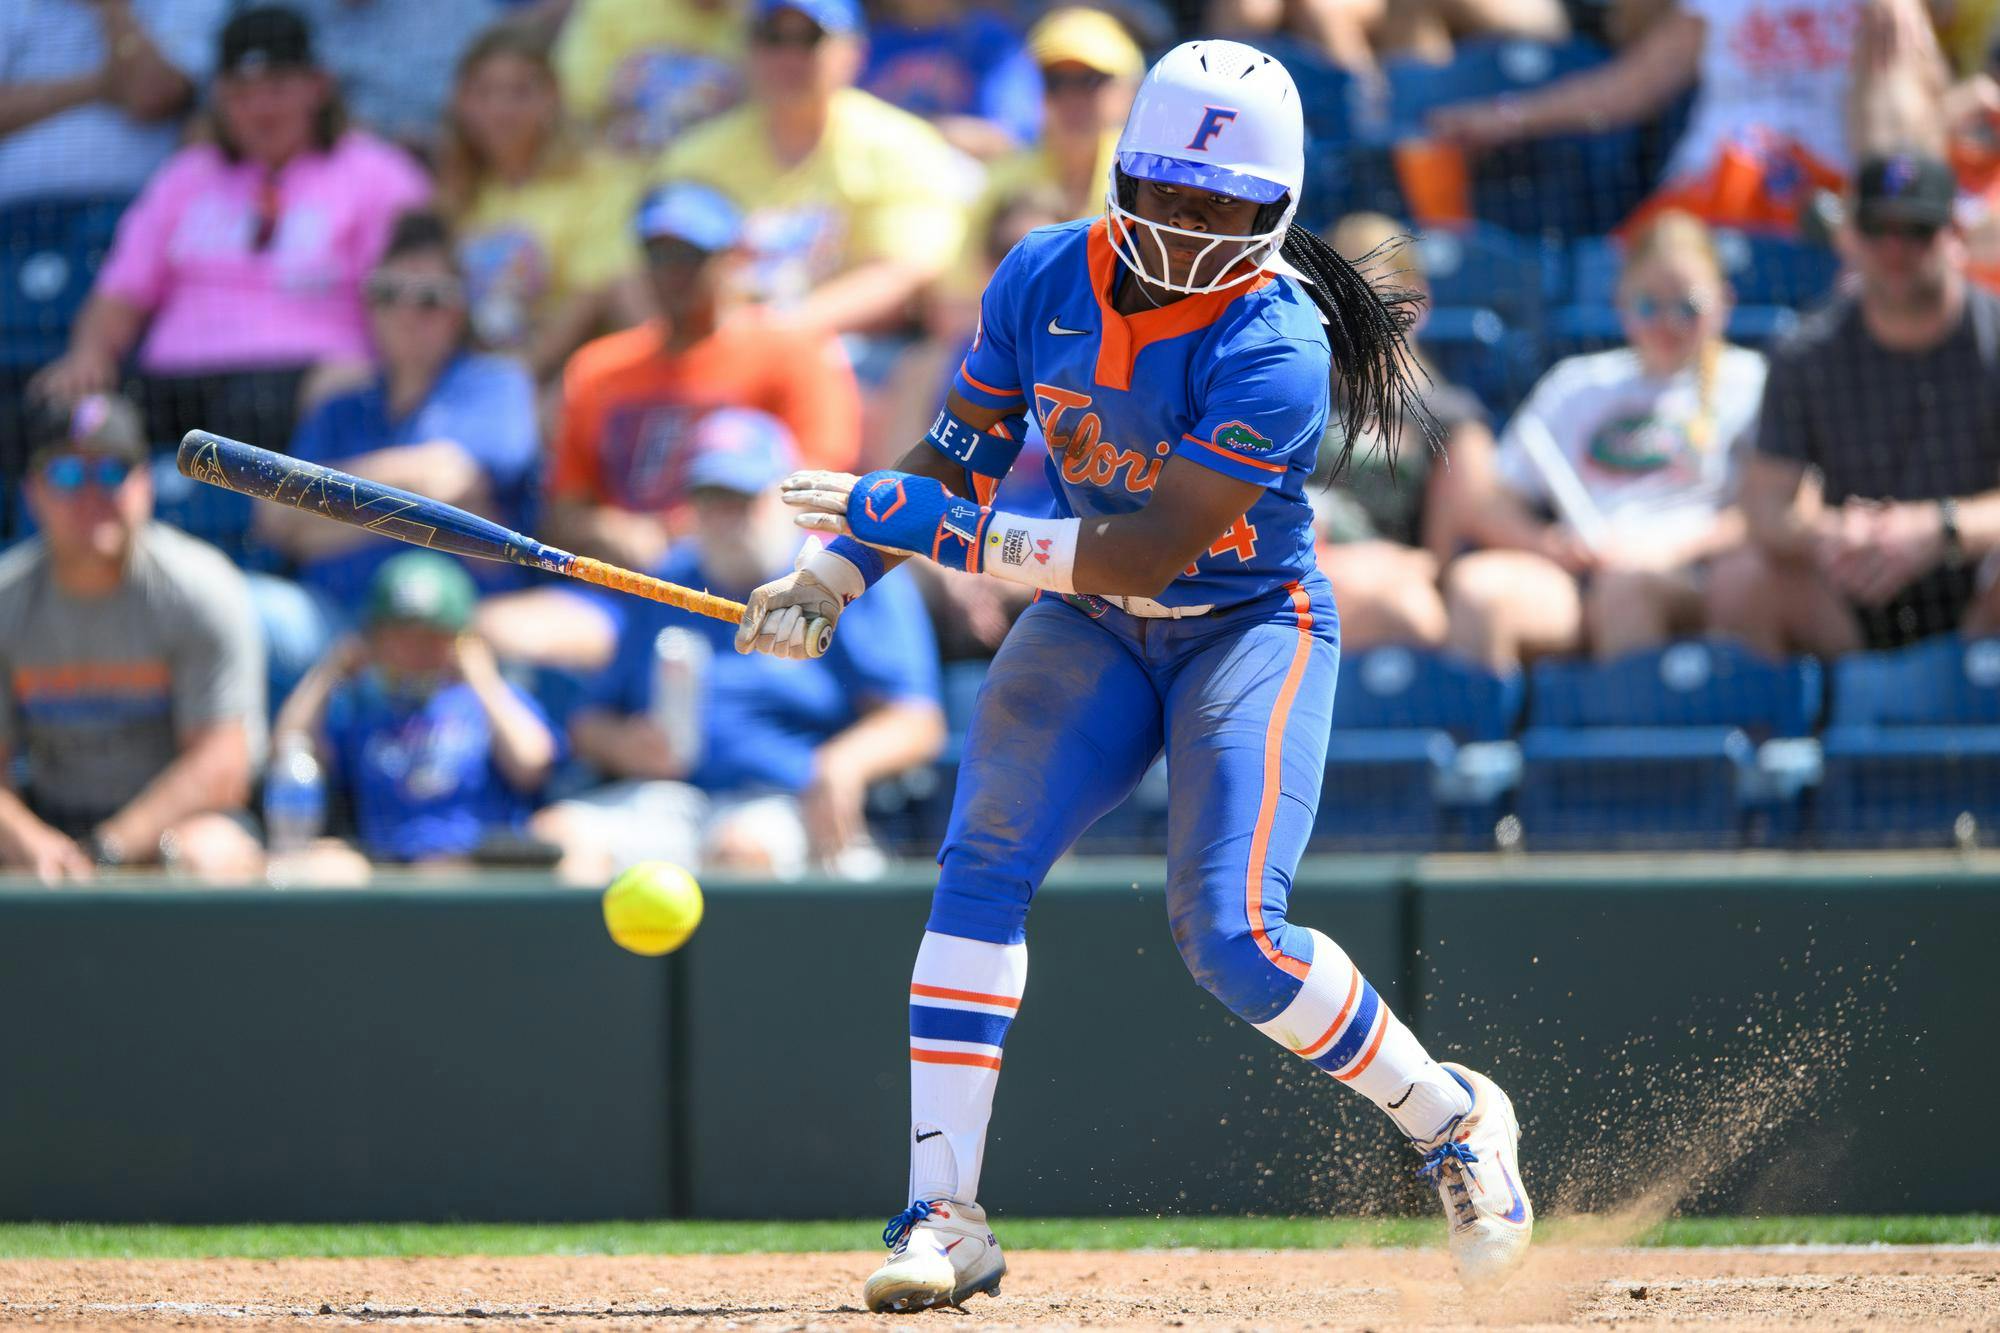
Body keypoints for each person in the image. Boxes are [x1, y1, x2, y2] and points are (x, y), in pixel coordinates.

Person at [734, 39, 1535, 1310]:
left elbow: (1147, 546)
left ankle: (1448, 1118)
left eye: (1218, 207)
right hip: (1088, 627)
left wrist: (934, 531)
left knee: (1231, 935)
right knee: (979, 863)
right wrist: (833, 576)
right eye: (1163, 191)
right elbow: (952, 460)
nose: (1183, 227)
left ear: (1273, 212)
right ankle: (945, 1215)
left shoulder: (1277, 340)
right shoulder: (1041, 271)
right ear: (1120, 172)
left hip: (1240, 625)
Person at [532, 408, 944, 881]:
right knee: (558, 840)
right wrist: (625, 745)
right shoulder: (670, 581)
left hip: (787, 799)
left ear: (785, 501)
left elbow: (916, 721)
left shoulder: (844, 576)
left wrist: (843, 765)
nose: (725, 520)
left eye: (742, 501)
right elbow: (590, 720)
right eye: (710, 501)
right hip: (669, 799)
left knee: (739, 852)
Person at [480, 180, 860, 670]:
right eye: (658, 257)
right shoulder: (600, 368)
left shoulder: (791, 351)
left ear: (733, 258)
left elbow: (817, 491)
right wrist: (612, 529)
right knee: (490, 632)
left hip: (750, 583)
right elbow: (563, 509)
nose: (672, 274)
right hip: (628, 588)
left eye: (689, 256)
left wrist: (683, 533)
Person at [30, 5, 431, 450]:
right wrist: (90, 352)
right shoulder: (186, 176)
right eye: (241, 93)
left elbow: (404, 298)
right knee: (58, 412)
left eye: (277, 88)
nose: (260, 109)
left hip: (307, 378)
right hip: (178, 383)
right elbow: (122, 292)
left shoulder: (379, 175)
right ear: (219, 100)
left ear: (318, 87)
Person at [1437, 211, 1765, 670]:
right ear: (1622, 303)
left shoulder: (1750, 381)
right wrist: (1550, 544)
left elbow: (1764, 510)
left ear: (1723, 304)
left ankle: (1632, 740)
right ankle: (1483, 740)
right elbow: (1493, 502)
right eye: (1650, 306)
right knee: (1477, 589)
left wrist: (1666, 551)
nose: (1667, 323)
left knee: (1626, 589)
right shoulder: (1577, 384)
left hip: (1696, 575)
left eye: (1687, 307)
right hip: (1581, 575)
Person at [1714, 151, 2000, 653]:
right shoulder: (1807, 351)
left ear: (1954, 234)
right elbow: (1765, 504)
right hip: (1851, 586)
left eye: (1916, 229)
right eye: (1876, 229)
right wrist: (1836, 534)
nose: (1895, 248)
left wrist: (1941, 528)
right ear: (1848, 236)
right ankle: (1792, 727)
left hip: (1982, 589)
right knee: (1741, 579)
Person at [0, 394, 265, 883]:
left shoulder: (199, 589)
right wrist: (32, 842)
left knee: (207, 852)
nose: (91, 493)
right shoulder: (7, 602)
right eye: (66, 475)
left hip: (170, 828)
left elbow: (224, 764)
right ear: (32, 491)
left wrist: (109, 847)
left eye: (112, 472)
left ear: (145, 484)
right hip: (49, 824)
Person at [254, 211, 539, 651]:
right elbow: (273, 517)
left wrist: (321, 512)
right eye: (388, 294)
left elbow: (447, 476)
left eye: (428, 298)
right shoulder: (339, 406)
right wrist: (411, 501)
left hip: (452, 632)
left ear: (460, 310)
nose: (406, 312)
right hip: (334, 627)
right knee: (243, 608)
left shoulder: (495, 383)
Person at [1428, 0, 1949, 234]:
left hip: (1832, 205)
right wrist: (1507, 117)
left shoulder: (1889, 7)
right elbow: (1628, 88)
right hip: (1709, 193)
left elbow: (1925, 117)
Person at [654, 0, 976, 336]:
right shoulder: (697, 156)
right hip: (722, 347)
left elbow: (906, 270)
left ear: (854, 52)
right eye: (771, 37)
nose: (789, 57)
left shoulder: (901, 145)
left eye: (809, 39)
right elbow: (649, 266)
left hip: (857, 351)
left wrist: (778, 332)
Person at [272, 551, 558, 871]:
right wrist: (331, 669)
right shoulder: (364, 715)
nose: (415, 651)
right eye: (400, 637)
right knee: (325, 866)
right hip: (387, 867)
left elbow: (532, 764)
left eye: (432, 637)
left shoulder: (491, 702)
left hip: (480, 865)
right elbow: (290, 747)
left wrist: (482, 676)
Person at [1315, 212, 1495, 652]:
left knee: (1411, 611)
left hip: (1383, 582)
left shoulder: (1451, 418)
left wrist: (1371, 565)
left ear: (1417, 300)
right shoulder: (1295, 396)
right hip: (1291, 570)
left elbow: (1438, 568)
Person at [437, 23, 649, 382]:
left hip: (566, 370)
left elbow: (594, 290)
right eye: (484, 92)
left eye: (520, 92)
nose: (500, 109)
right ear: (461, 101)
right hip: (470, 375)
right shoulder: (451, 196)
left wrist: (520, 375)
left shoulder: (596, 176)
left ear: (551, 97)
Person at [0, 0, 227, 209]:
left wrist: (112, 7)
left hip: (130, 207)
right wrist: (100, 86)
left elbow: (149, 95)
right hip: (14, 211)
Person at [281, 0, 507, 154]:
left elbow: (501, 93)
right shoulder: (288, 10)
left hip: (441, 159)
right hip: (325, 166)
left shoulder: (455, 10)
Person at [554, 0, 744, 158]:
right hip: (622, 172)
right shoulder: (612, 7)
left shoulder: (757, 17)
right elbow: (571, 99)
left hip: (722, 167)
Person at [858, 0, 1042, 160]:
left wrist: (915, 132)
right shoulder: (865, 49)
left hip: (971, 192)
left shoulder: (990, 42)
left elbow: (1011, 140)